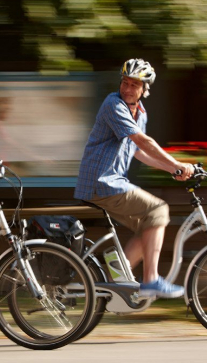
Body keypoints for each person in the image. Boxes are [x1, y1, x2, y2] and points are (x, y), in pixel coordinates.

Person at [75, 58, 195, 298]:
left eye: (134, 85)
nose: (128, 89)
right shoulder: (113, 104)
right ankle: (150, 280)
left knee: (150, 226)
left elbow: (138, 152)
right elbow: (143, 142)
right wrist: (176, 163)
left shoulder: (140, 113)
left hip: (113, 182)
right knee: (158, 210)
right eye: (125, 83)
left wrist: (171, 170)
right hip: (102, 182)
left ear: (144, 89)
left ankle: (115, 283)